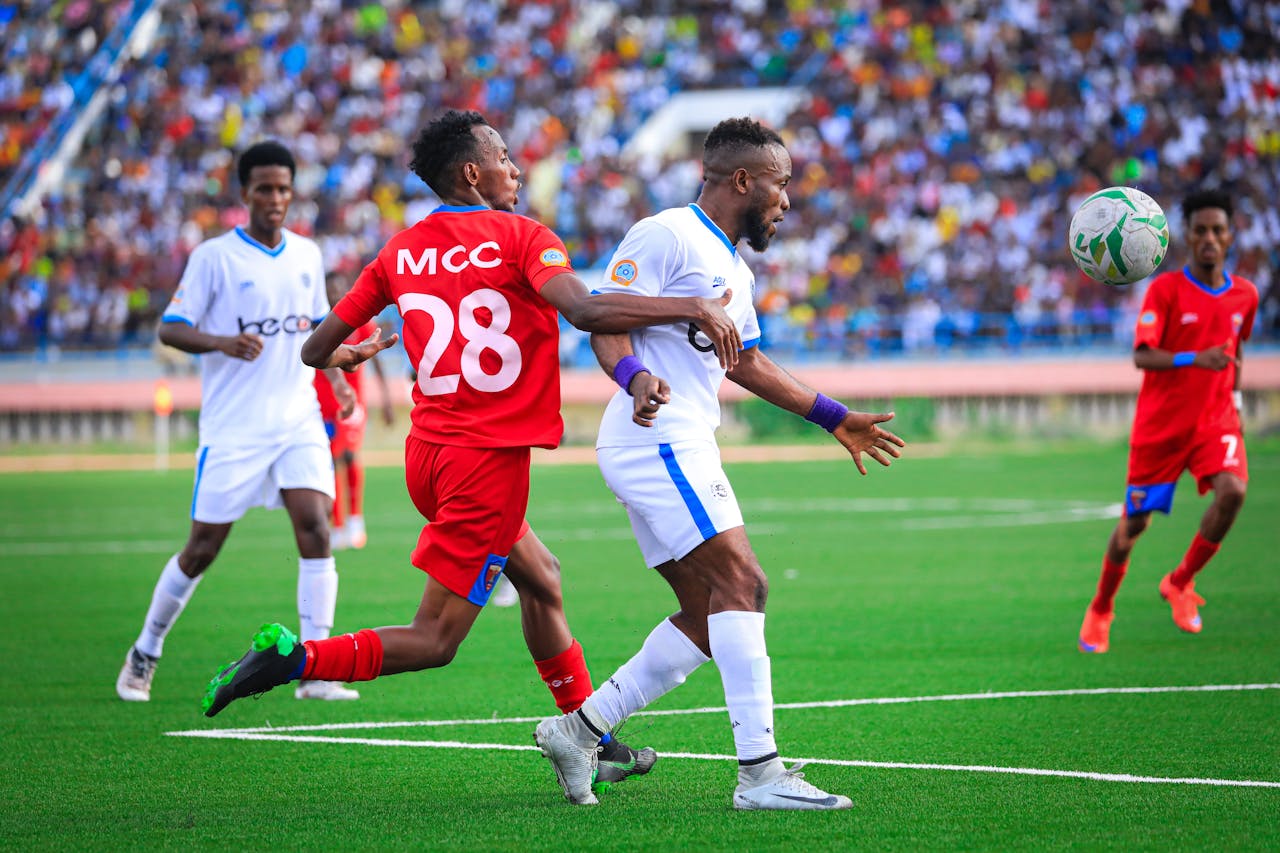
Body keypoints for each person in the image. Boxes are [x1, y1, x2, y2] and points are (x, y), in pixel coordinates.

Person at [200, 110, 743, 785]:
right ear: (470, 172)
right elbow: (586, 310)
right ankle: (294, 660)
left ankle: (589, 737)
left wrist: (353, 353)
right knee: (435, 639)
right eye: (504, 157)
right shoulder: (523, 237)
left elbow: (313, 349)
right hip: (484, 464)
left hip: (428, 458)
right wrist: (692, 306)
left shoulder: (399, 251)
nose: (515, 169)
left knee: (541, 579)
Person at [533, 117, 906, 810]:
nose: (787, 201)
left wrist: (834, 416)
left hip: (676, 438)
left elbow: (750, 361)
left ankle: (578, 730)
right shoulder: (667, 232)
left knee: (710, 614)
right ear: (743, 180)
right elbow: (601, 320)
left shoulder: (736, 266)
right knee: (746, 581)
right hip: (656, 435)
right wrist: (637, 376)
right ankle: (761, 773)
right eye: (781, 184)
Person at [117, 141, 360, 704]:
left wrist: (340, 382)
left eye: (283, 189)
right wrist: (222, 342)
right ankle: (145, 650)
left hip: (297, 419)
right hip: (234, 430)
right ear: (244, 193)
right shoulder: (214, 258)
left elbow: (319, 329)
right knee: (202, 548)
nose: (275, 199)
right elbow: (171, 328)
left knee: (317, 529)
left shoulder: (306, 254)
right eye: (264, 189)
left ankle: (316, 669)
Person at [1078, 189, 1257, 653]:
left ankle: (1181, 581)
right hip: (1161, 427)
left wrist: (1234, 400)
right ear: (1185, 237)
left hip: (1215, 421)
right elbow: (1143, 356)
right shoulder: (1166, 289)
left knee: (1234, 491)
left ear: (1231, 235)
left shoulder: (1245, 295)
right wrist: (1197, 358)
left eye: (1218, 230)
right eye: (1200, 231)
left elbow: (1236, 353)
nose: (1210, 239)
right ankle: (1101, 608)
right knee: (1133, 526)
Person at [313, 272, 396, 550]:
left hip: (352, 402)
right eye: (329, 290)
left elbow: (377, 361)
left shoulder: (359, 322)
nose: (334, 294)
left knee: (346, 454)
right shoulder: (320, 323)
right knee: (329, 460)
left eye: (338, 288)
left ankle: (355, 520)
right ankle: (336, 524)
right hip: (322, 402)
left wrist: (385, 400)